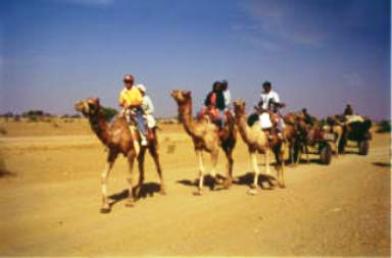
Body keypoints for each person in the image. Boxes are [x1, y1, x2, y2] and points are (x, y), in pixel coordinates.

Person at [119, 74, 148, 146]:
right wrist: (123, 104)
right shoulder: (122, 92)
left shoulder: (136, 90)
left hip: (136, 109)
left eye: (129, 81)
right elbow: (120, 103)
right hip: (126, 110)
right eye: (126, 81)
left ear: (132, 82)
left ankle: (144, 138)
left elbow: (140, 101)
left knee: (139, 120)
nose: (127, 83)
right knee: (114, 120)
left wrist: (131, 104)